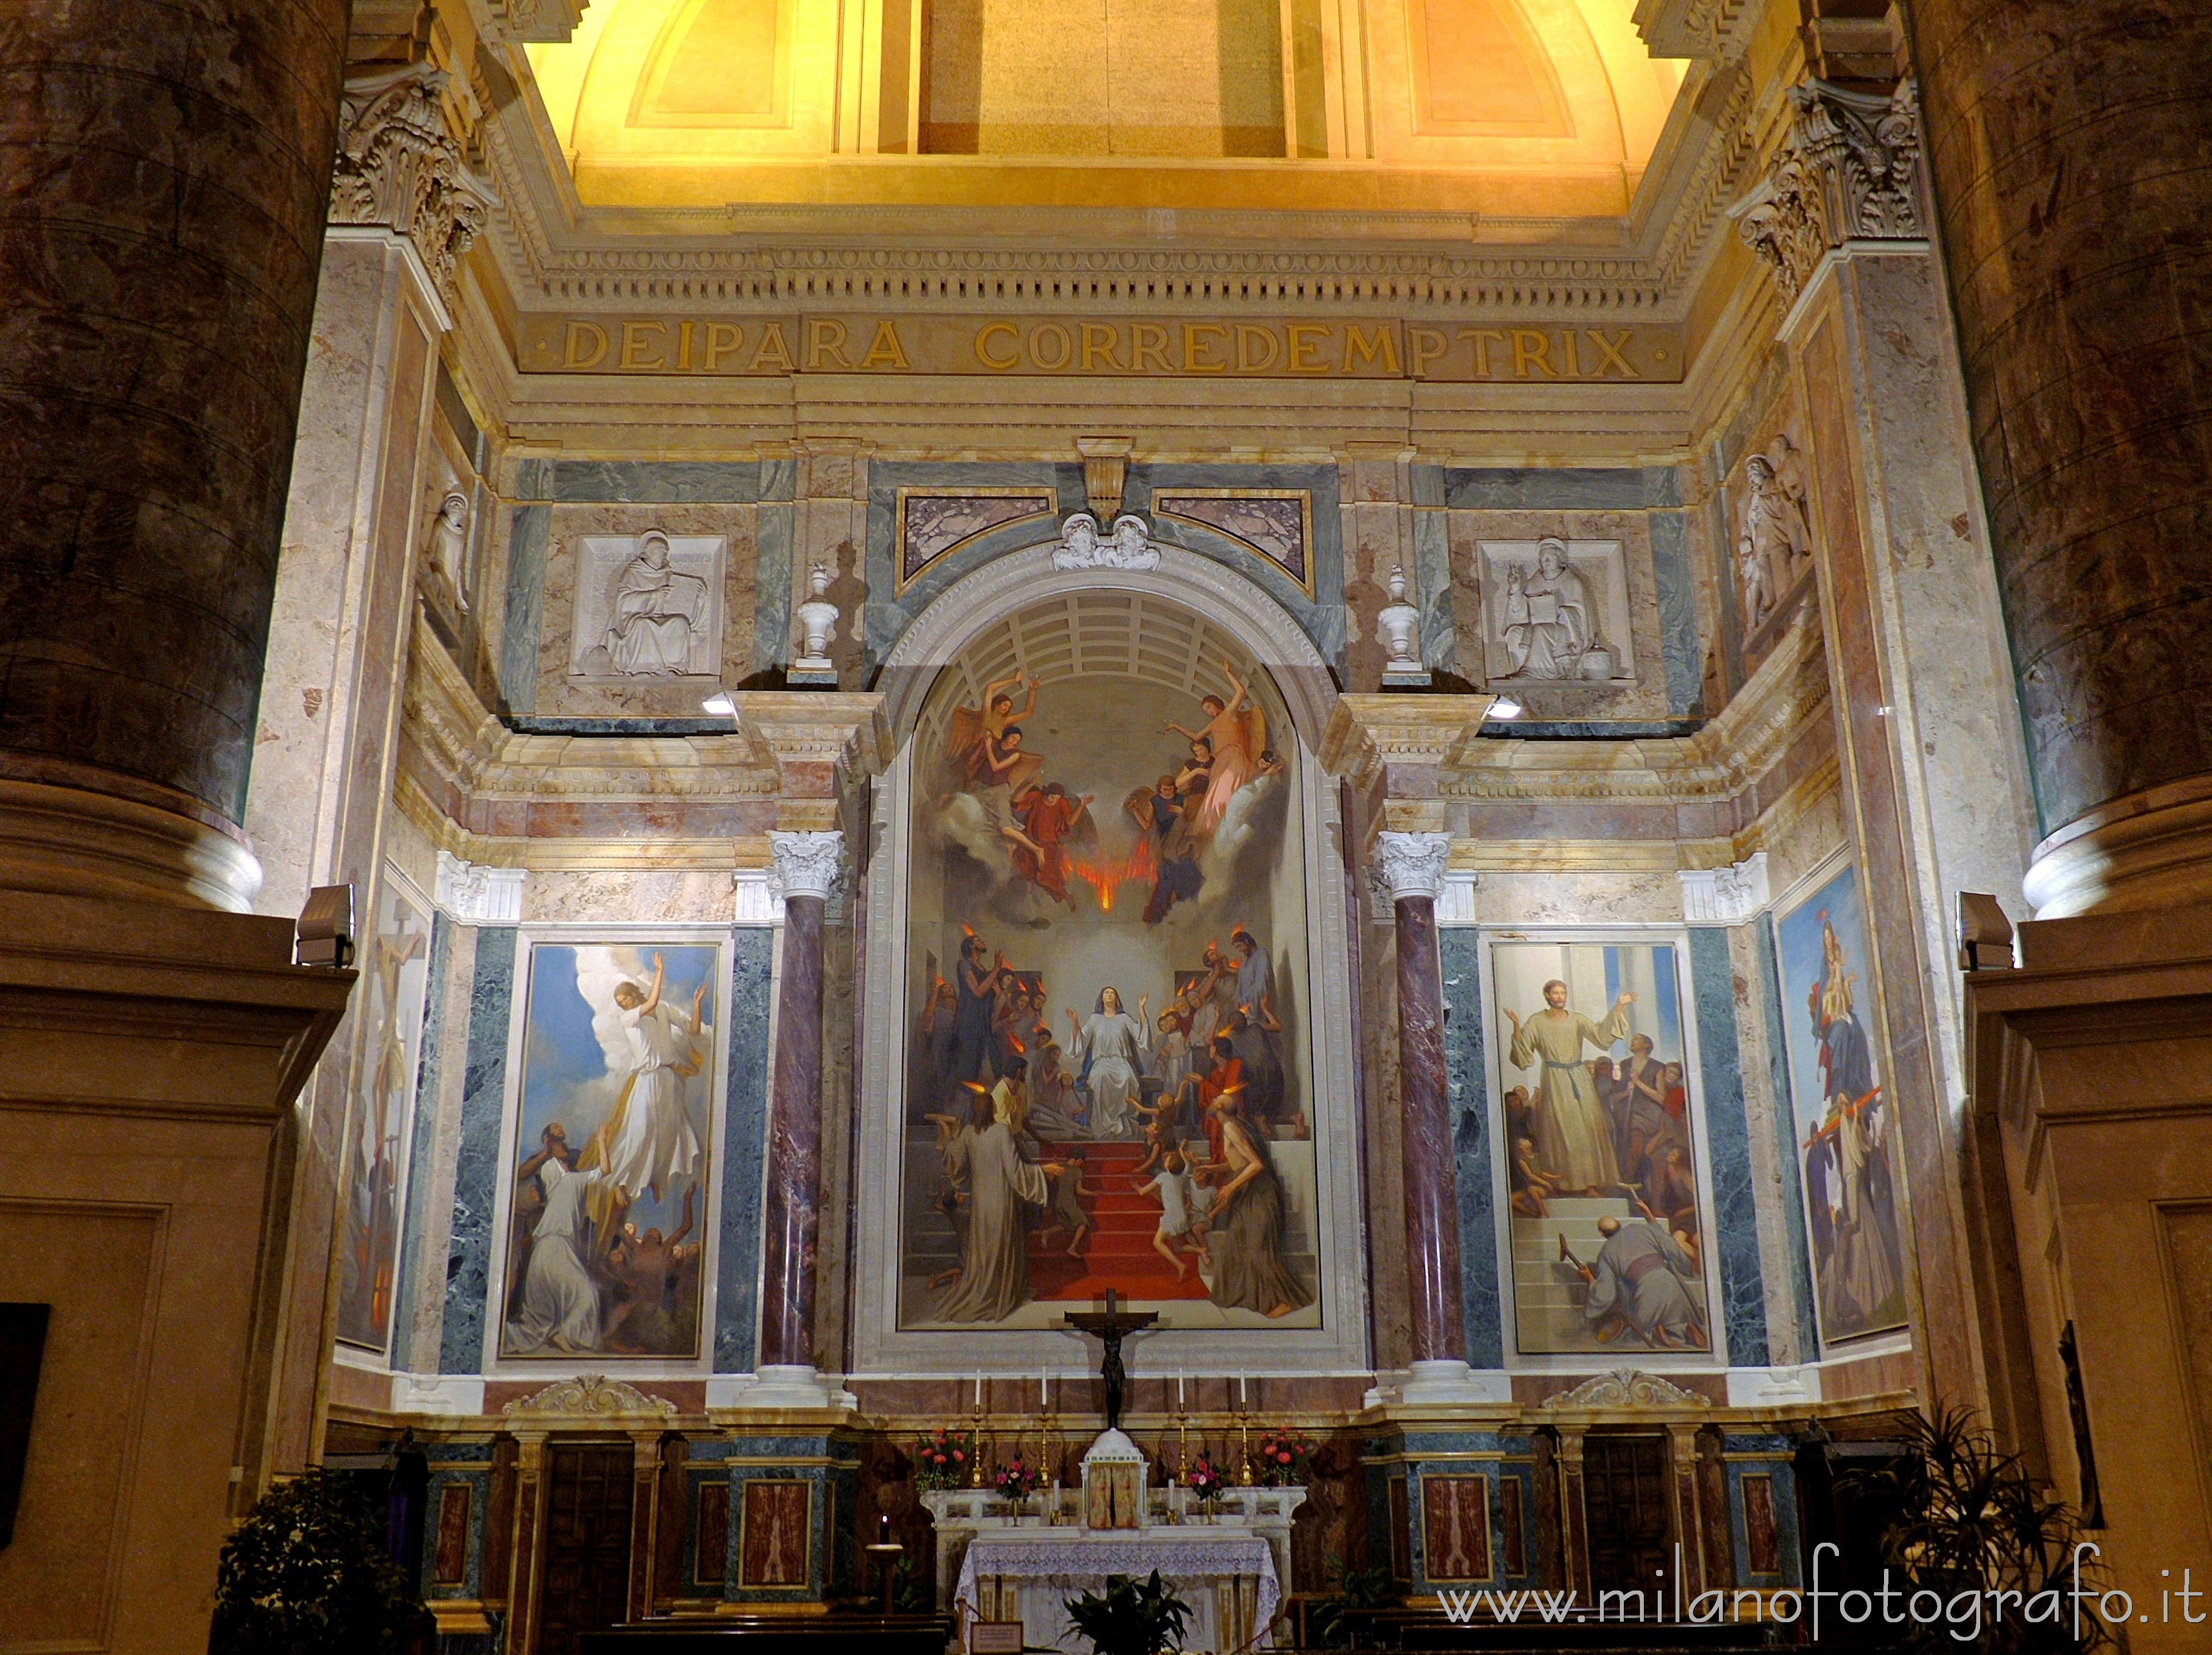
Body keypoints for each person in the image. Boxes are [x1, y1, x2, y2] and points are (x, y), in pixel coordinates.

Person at [581, 953, 707, 1244]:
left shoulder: (662, 1010)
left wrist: (697, 1005)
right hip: (648, 1079)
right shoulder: (630, 1019)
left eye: (625, 997)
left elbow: (693, 1029)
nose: (623, 1003)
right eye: (620, 1001)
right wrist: (660, 970)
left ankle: (658, 1180)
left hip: (670, 1079)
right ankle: (620, 1182)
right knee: (639, 1132)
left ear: (633, 993)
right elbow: (649, 1003)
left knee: (670, 1133)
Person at [937, 1087, 1061, 1323]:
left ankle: (985, 1291)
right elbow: (1015, 1171)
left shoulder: (968, 1134)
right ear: (993, 1109)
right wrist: (1042, 1171)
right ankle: (1001, 1296)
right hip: (1001, 1200)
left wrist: (948, 1136)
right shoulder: (1002, 1132)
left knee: (985, 1246)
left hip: (981, 1203)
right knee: (1002, 1244)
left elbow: (956, 1162)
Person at [1504, 978, 1634, 1195]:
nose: (1559, 997)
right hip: (1554, 1080)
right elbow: (1523, 1053)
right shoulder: (1537, 1021)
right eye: (1555, 993)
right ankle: (1565, 1184)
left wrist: (1620, 1006)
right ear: (1547, 996)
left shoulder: (1577, 1020)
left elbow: (1601, 1036)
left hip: (1579, 1078)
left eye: (1563, 993)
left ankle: (1591, 1183)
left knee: (1587, 1129)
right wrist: (1517, 1026)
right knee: (1561, 1130)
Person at [507, 1123, 612, 1354]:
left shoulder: (572, 1174)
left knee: (557, 1302)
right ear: (547, 1138)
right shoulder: (551, 1170)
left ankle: (563, 1334)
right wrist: (602, 1141)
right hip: (553, 1242)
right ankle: (568, 1335)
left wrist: (600, 1143)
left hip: (555, 1245)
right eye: (554, 1128)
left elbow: (599, 1169)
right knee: (586, 1294)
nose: (560, 1127)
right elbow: (526, 1173)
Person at [1205, 1095, 1310, 1317]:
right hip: (1250, 1194)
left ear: (1220, 1108)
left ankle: (1288, 1300)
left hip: (1260, 1195)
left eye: (1216, 1099)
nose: (1212, 1100)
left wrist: (1230, 1188)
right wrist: (1210, 1170)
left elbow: (1256, 1164)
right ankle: (1250, 1297)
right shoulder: (1234, 1126)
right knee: (1235, 1246)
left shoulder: (1232, 1128)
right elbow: (1238, 1163)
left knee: (1259, 1251)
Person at [1165, 661, 1267, 839]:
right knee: (1212, 798)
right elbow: (1196, 737)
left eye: (1209, 707)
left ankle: (1227, 823)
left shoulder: (1229, 714)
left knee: (1224, 793)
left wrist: (1228, 672)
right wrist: (1176, 727)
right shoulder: (1212, 725)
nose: (1209, 711)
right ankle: (1211, 831)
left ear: (1217, 704)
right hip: (1219, 762)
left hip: (1234, 758)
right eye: (1206, 710)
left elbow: (1241, 692)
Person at [1574, 1214, 1706, 1349]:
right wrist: (1686, 1267)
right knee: (1676, 1320)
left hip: (1646, 1293)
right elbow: (1670, 1246)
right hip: (1672, 1284)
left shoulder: (1606, 1253)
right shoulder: (1642, 1230)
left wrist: (1590, 1279)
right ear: (1619, 1224)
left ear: (1602, 1234)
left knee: (1636, 1336)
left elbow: (1605, 1293)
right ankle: (1687, 1329)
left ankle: (1657, 1332)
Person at [603, 529, 707, 676]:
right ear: (647, 551)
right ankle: (643, 668)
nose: (663, 554)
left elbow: (682, 600)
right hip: (635, 618)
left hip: (661, 616)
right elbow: (622, 602)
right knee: (644, 625)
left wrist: (700, 596)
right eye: (659, 550)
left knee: (680, 623)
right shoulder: (633, 573)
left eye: (665, 551)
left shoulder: (669, 574)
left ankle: (674, 668)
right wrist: (652, 596)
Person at [1499, 538, 1592, 680]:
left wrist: (1558, 611)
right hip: (1536, 626)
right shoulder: (1535, 582)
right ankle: (1520, 673)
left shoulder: (1572, 582)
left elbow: (1580, 616)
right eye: (1543, 559)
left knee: (1541, 630)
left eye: (1550, 558)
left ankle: (1539, 673)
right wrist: (1516, 588)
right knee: (1514, 633)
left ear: (1560, 559)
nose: (1546, 562)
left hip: (1564, 631)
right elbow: (1521, 612)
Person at [1066, 986, 1151, 1139]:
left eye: (1113, 993)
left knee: (1126, 1078)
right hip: (1102, 1061)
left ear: (1117, 999)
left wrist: (1141, 1008)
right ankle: (1103, 1125)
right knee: (1100, 1078)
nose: (1110, 995)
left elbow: (1140, 1033)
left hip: (1121, 1061)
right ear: (1102, 998)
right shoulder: (1094, 1019)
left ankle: (1122, 1122)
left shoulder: (1124, 1018)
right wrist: (1075, 1022)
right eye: (1107, 993)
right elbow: (1082, 1039)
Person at [1127, 773, 1205, 922]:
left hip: (1182, 840)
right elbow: (1146, 825)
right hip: (1165, 842)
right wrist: (1135, 810)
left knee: (1187, 870)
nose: (1167, 793)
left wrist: (1181, 813)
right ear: (1160, 789)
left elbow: (1192, 822)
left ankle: (1185, 910)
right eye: (1164, 790)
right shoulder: (1155, 801)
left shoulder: (1182, 800)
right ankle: (1166, 912)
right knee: (1167, 873)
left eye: (1170, 790)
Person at [945, 670, 1037, 791]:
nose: (1006, 708)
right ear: (997, 704)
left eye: (1008, 707)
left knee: (974, 782)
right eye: (1004, 704)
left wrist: (1032, 690)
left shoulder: (1004, 722)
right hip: (974, 751)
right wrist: (1014, 680)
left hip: (987, 758)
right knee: (962, 774)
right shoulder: (987, 714)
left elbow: (1028, 712)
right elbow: (990, 688)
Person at [1006, 782, 1091, 907]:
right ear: (1046, 793)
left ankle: (1063, 898)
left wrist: (1081, 805)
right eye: (1052, 797)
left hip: (1049, 844)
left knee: (1047, 876)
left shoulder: (1061, 803)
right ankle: (1027, 900)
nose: (1054, 801)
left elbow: (1070, 822)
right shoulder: (1037, 797)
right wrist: (1030, 783)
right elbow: (1015, 801)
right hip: (1030, 840)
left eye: (1057, 799)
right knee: (1024, 870)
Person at [948, 933, 1008, 1085]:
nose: (982, 941)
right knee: (968, 1065)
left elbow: (990, 1000)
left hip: (983, 1022)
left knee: (988, 1063)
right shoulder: (965, 965)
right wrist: (996, 969)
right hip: (969, 1020)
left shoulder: (983, 971)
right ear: (971, 946)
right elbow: (978, 992)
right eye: (978, 940)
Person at [1136, 1150, 1205, 1281]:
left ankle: (1180, 1265)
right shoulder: (1183, 1175)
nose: (1165, 1161)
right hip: (1183, 1215)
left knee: (1157, 1242)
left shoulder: (1163, 1177)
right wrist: (1181, 1151)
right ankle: (1200, 1250)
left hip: (1171, 1216)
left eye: (1168, 1160)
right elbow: (1186, 1164)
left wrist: (1136, 1186)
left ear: (1170, 1165)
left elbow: (1142, 1192)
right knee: (1177, 1247)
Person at [1509, 1136, 1563, 1219]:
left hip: (1540, 1188)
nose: (1527, 1140)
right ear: (1520, 1147)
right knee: (1511, 1199)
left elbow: (1541, 1173)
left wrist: (1555, 1177)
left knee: (1532, 1189)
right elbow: (1530, 1176)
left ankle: (1543, 1213)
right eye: (1524, 1141)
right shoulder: (1522, 1160)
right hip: (1532, 1187)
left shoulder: (1536, 1156)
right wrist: (1546, 1183)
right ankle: (1535, 1214)